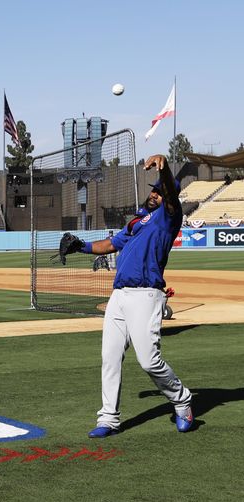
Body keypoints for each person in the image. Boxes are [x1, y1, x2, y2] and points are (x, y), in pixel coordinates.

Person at [72, 154, 193, 437]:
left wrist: (165, 173)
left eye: (160, 192)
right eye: (153, 190)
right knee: (110, 357)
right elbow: (111, 244)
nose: (155, 194)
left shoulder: (168, 218)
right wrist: (81, 246)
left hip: (146, 295)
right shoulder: (137, 222)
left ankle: (182, 399)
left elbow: (172, 197)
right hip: (119, 296)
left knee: (149, 360)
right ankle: (108, 418)